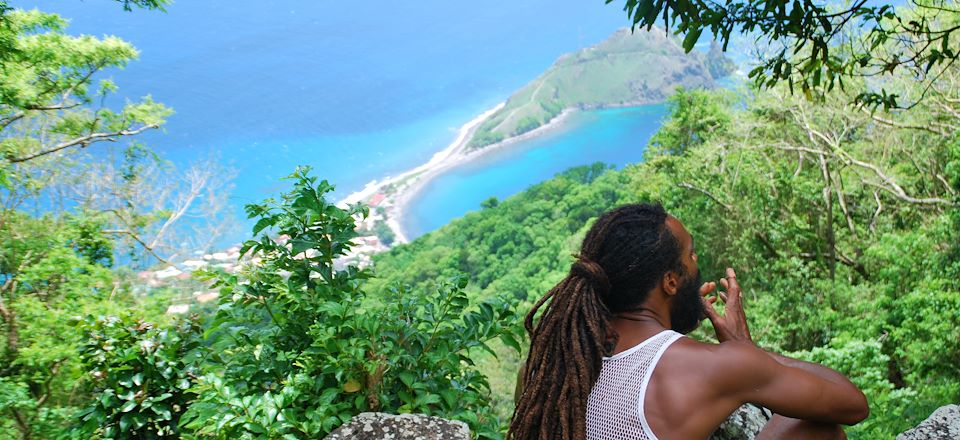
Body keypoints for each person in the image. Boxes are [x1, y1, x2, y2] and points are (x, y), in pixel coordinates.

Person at [508, 203, 868, 440]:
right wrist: (745, 349)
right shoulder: (708, 367)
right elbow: (851, 403)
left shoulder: (548, 367)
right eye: (691, 254)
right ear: (670, 282)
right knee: (820, 430)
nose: (697, 261)